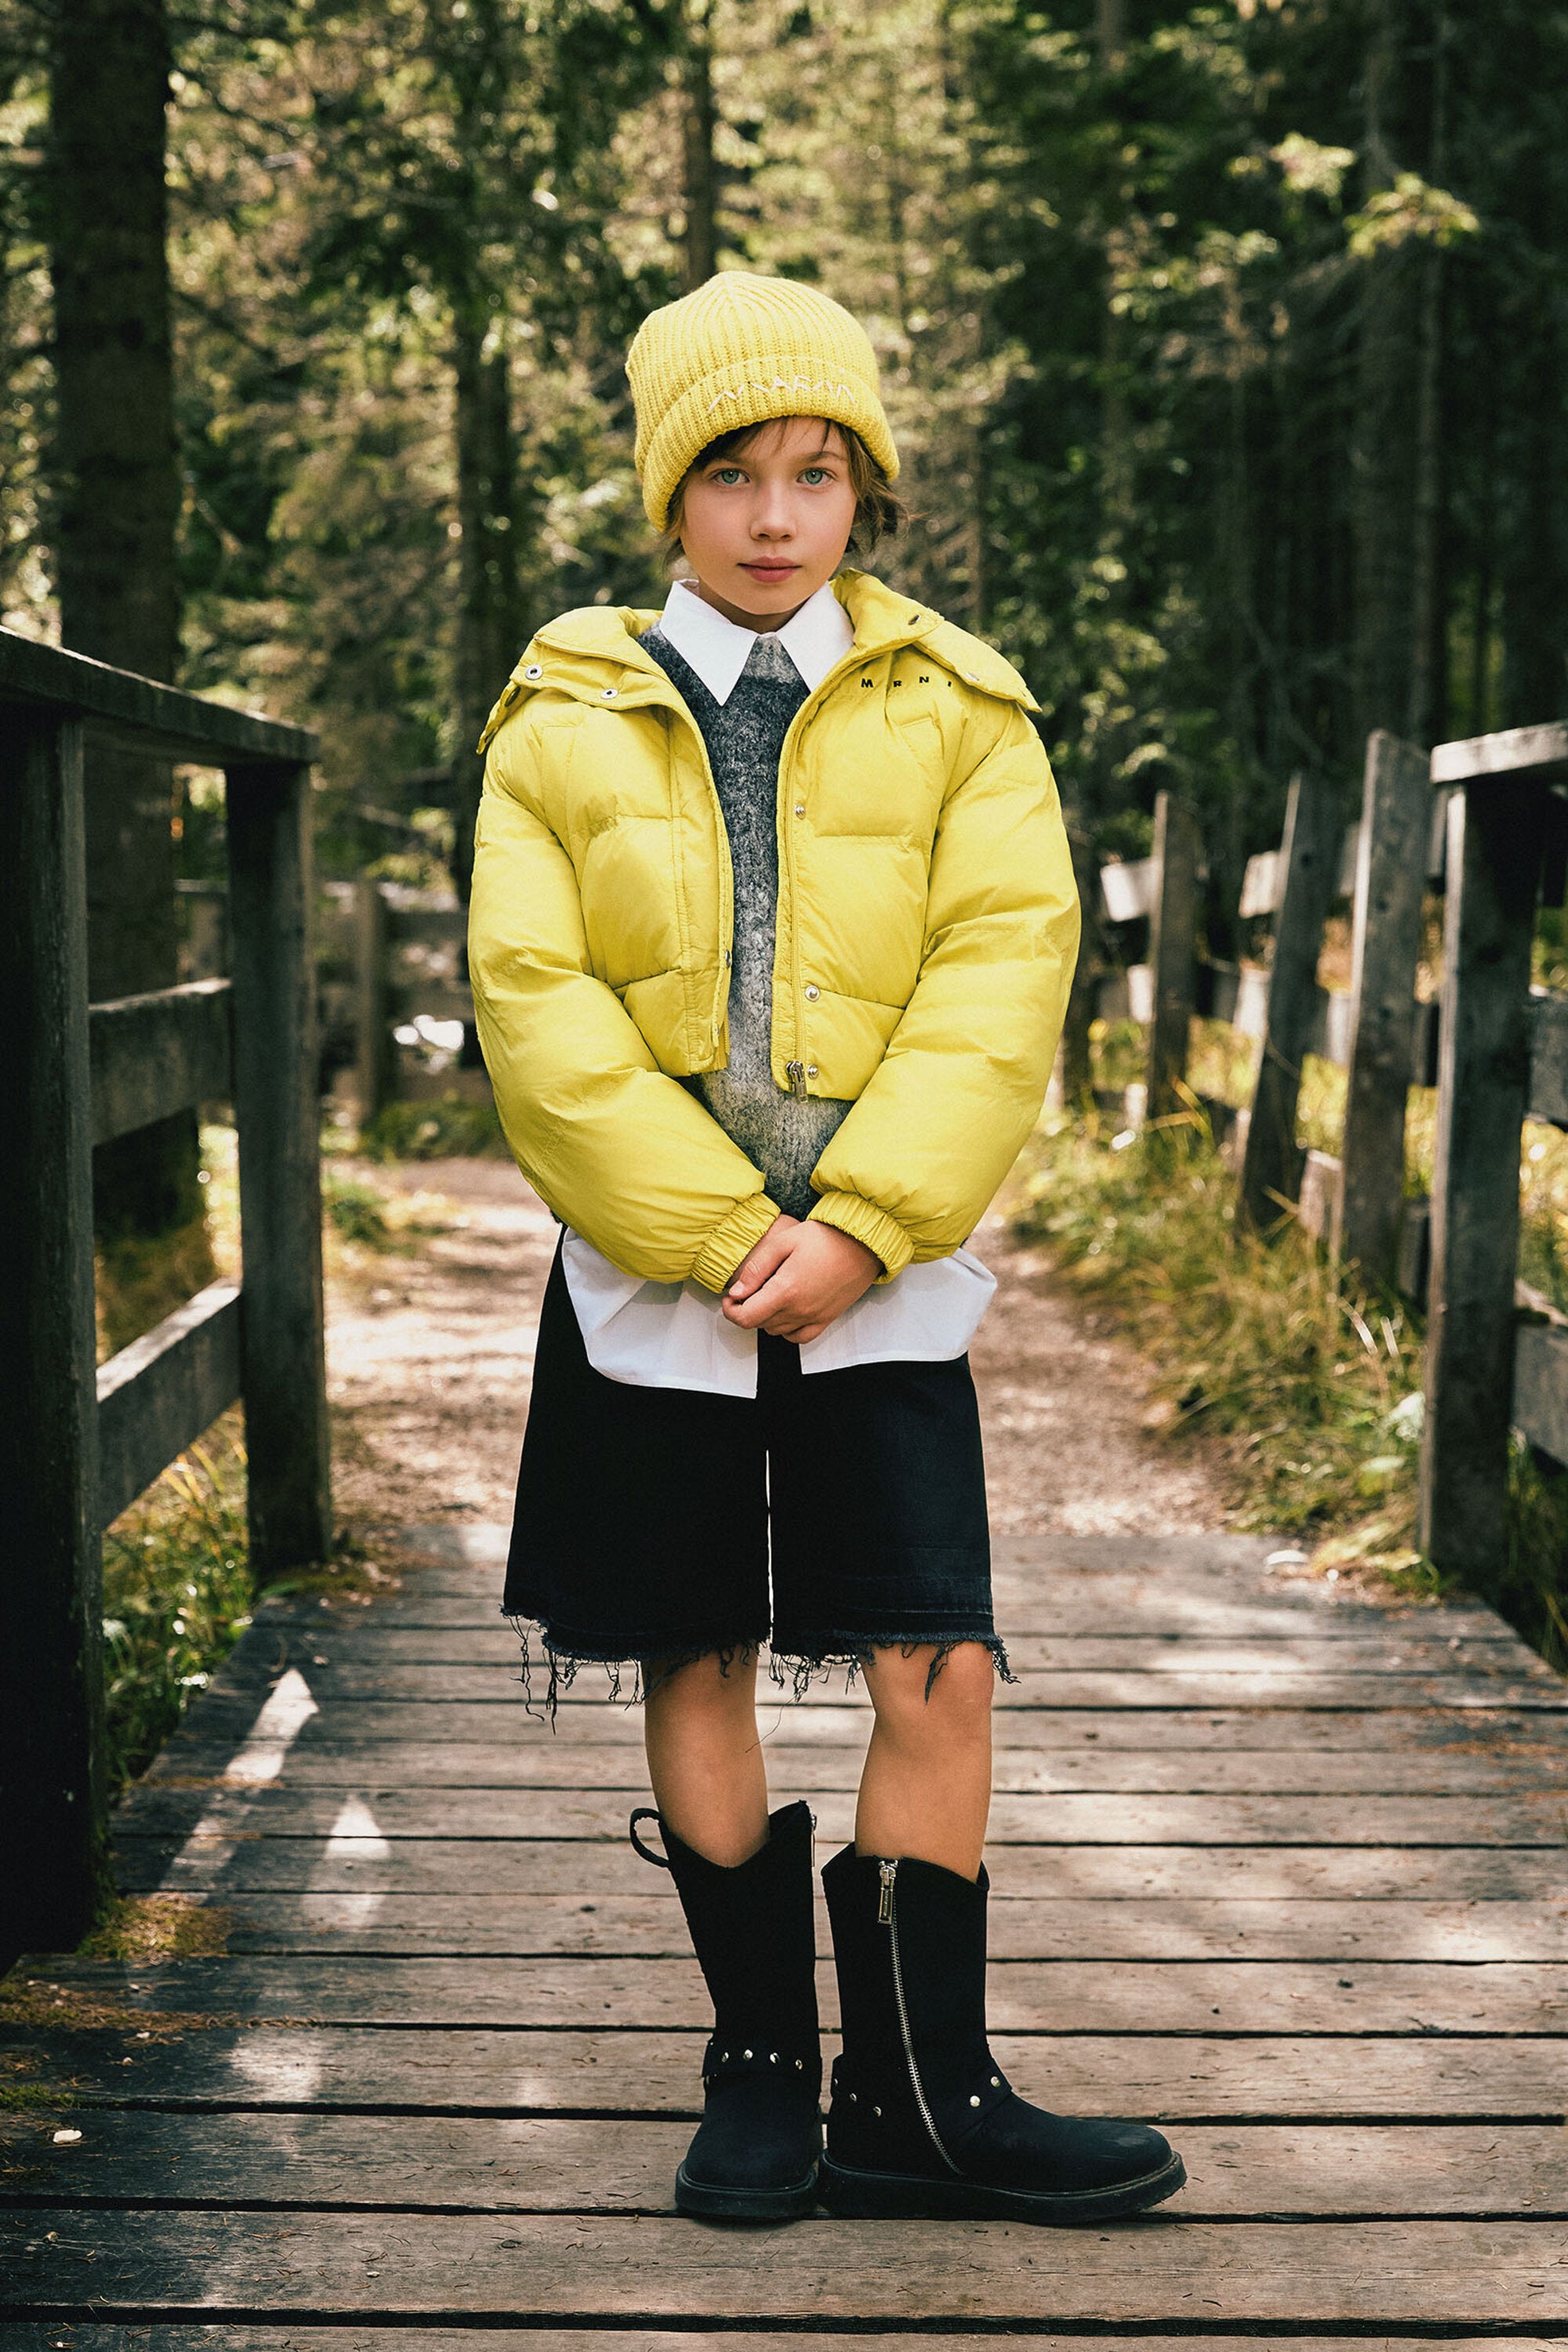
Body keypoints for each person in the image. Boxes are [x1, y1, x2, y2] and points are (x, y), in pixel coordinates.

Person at [468, 270, 1185, 2229]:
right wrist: (710, 1231)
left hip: (887, 1274)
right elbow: (533, 1001)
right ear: (666, 494)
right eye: (729, 476)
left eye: (815, 474)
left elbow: (998, 972)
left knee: (932, 1658)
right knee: (695, 1646)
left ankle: (927, 2095)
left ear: (861, 487)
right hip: (654, 1280)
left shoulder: (963, 705)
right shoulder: (565, 709)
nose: (775, 518)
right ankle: (767, 2075)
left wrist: (866, 1222)